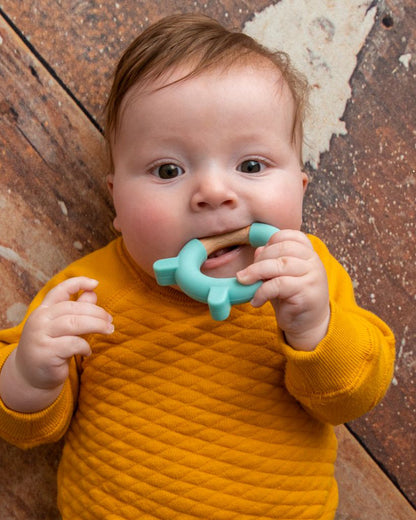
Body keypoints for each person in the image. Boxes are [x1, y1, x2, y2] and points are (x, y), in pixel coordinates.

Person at [0, 13, 395, 520]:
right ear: (116, 202)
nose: (213, 193)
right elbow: (26, 429)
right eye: (169, 170)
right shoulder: (87, 292)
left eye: (251, 165)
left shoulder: (305, 277)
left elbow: (353, 398)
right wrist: (30, 375)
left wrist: (315, 328)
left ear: (298, 189)